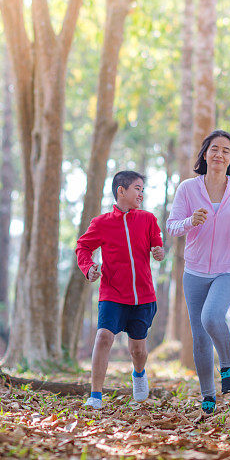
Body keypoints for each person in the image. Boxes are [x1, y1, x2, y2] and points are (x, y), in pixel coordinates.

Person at [167, 130, 230, 414]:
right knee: (199, 336)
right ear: (205, 153)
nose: (220, 154)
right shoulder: (187, 188)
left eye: (226, 151)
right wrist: (189, 221)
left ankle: (229, 366)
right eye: (215, 149)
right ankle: (208, 395)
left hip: (229, 268)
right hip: (194, 270)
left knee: (211, 316)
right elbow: (171, 226)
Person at [75, 170, 165, 410]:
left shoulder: (148, 219)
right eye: (137, 188)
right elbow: (82, 247)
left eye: (143, 190)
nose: (141, 194)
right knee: (104, 337)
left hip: (143, 296)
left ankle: (138, 374)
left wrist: (159, 252)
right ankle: (95, 396)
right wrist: (89, 268)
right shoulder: (101, 223)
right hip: (112, 294)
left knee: (138, 350)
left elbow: (158, 245)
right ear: (121, 190)